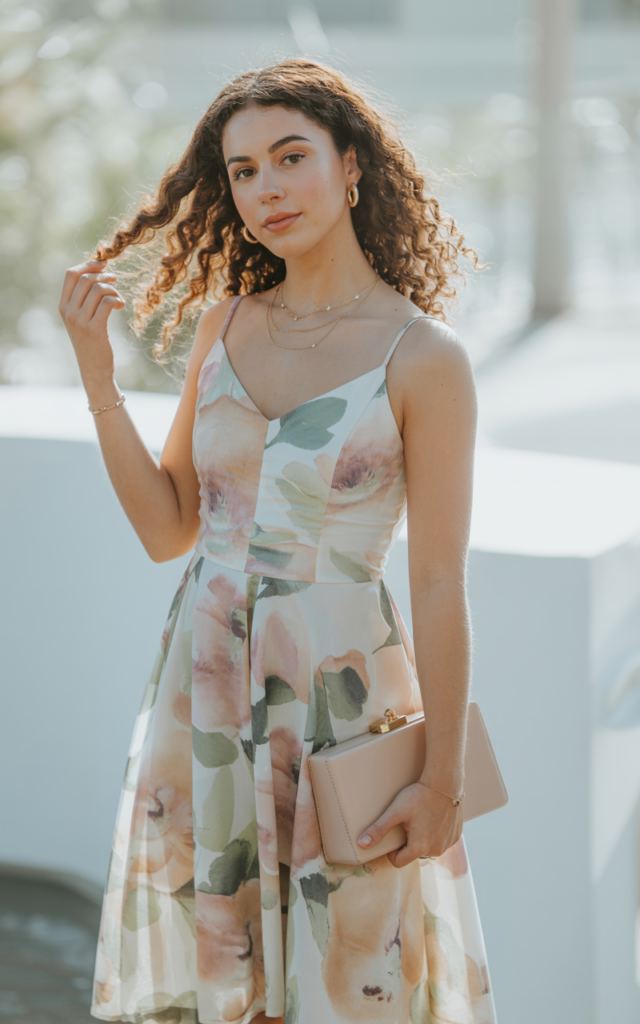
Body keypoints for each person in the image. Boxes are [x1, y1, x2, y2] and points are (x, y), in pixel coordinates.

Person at [59, 57, 496, 1024]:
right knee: (226, 983)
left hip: (343, 704)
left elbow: (437, 580)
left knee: (354, 979)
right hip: (204, 693)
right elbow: (170, 530)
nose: (265, 189)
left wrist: (444, 782)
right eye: (243, 171)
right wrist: (99, 378)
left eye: (290, 157)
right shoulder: (224, 325)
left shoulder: (423, 356)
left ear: (351, 166)